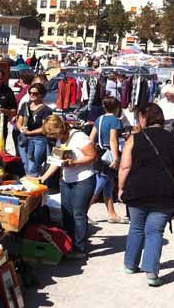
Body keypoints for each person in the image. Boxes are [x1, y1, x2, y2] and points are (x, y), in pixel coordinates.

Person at [118, 102, 174, 287]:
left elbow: (125, 166)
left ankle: (130, 265)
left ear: (143, 118)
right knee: (155, 231)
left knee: (136, 227)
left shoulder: (134, 139)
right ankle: (151, 273)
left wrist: (121, 188)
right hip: (164, 193)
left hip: (137, 190)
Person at [38, 115, 97, 259]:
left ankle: (79, 248)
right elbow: (56, 162)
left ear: (60, 129)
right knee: (67, 214)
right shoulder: (60, 139)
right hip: (66, 180)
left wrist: (74, 163)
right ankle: (69, 244)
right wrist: (43, 178)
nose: (52, 137)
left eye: (53, 134)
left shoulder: (79, 137)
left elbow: (93, 156)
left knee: (78, 214)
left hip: (83, 179)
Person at [89, 96, 125, 223]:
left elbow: (91, 137)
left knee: (108, 185)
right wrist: (116, 158)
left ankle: (112, 214)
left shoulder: (100, 118)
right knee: (100, 184)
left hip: (99, 153)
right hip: (109, 155)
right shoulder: (115, 120)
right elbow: (113, 140)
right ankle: (83, 211)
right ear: (117, 107)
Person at [16, 83, 52, 176]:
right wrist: (21, 129)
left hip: (38, 139)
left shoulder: (46, 110)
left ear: (41, 95)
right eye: (30, 93)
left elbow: (45, 128)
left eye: (35, 93)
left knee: (34, 165)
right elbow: (19, 121)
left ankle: (34, 182)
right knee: (25, 163)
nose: (32, 95)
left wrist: (31, 132)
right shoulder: (25, 105)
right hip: (24, 138)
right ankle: (29, 181)